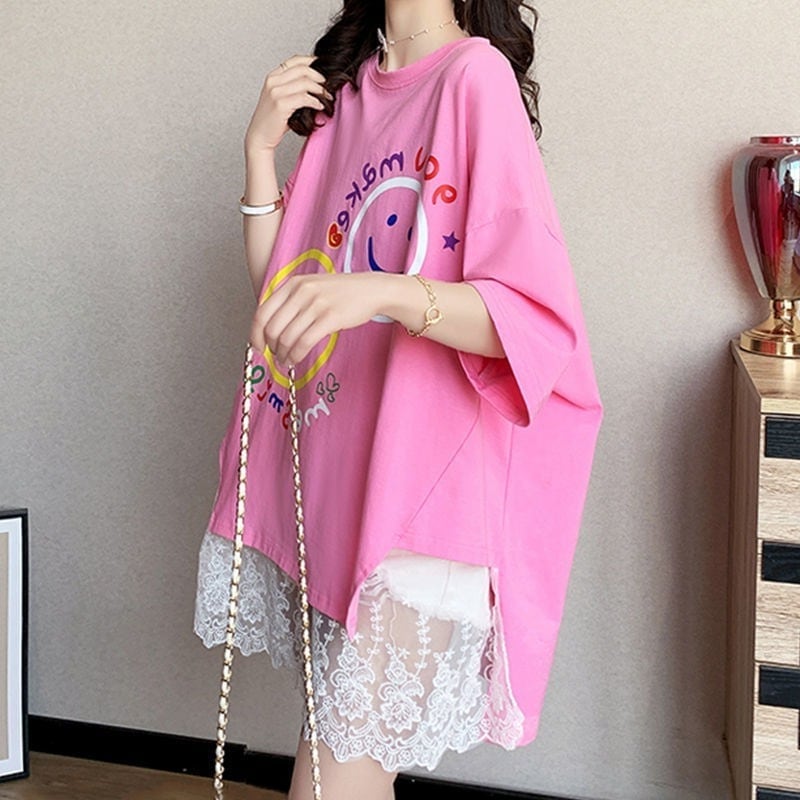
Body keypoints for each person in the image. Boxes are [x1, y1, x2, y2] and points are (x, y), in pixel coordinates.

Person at [194, 1, 603, 798]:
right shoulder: (348, 91)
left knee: (333, 778)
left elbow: (532, 320)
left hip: (421, 499)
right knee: (341, 769)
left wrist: (381, 291)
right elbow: (286, 298)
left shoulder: (473, 78)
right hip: (343, 488)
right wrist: (258, 154)